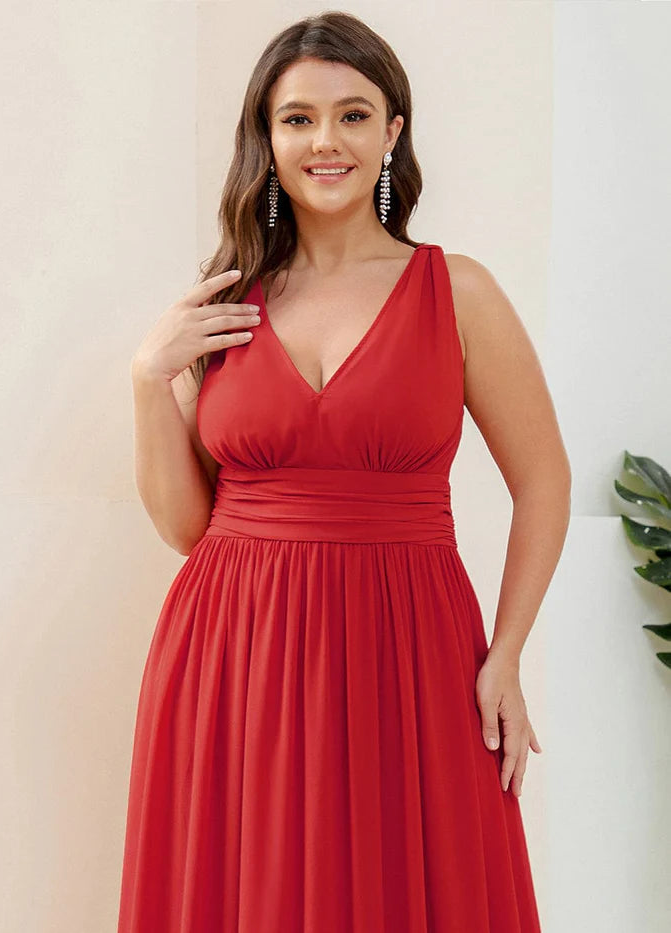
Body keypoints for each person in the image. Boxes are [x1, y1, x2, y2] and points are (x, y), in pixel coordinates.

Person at [118, 10, 570, 932]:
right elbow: (185, 527)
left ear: (392, 131)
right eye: (298, 118)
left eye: (353, 115)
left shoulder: (458, 290)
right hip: (233, 646)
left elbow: (545, 481)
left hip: (410, 643)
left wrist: (507, 654)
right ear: (268, 138)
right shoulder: (226, 301)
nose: (326, 140)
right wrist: (146, 379)